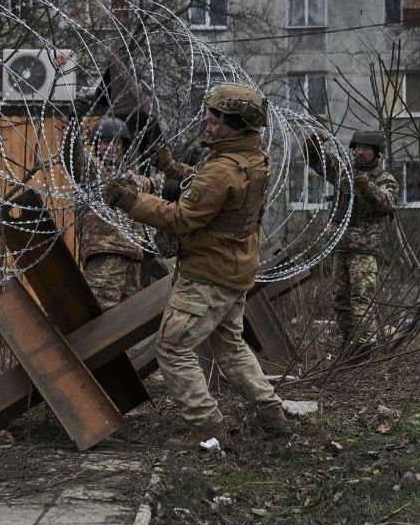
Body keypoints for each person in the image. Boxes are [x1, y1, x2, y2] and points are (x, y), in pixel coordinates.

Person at [103, 83, 290, 450]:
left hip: (207, 275)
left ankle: (207, 427)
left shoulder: (221, 171)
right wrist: (172, 167)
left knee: (172, 347)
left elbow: (181, 217)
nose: (208, 124)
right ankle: (273, 414)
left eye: (216, 120)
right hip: (234, 271)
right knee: (231, 347)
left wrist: (131, 201)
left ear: (237, 125)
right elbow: (209, 189)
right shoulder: (252, 159)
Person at [305, 129, 398, 357]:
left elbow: (388, 203)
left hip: (364, 250)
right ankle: (350, 344)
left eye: (366, 149)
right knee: (341, 301)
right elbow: (319, 162)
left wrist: (368, 188)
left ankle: (365, 348)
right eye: (357, 148)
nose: (360, 152)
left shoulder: (384, 178)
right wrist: (311, 144)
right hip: (341, 247)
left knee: (361, 299)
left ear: (376, 153)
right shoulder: (345, 172)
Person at [79, 116, 168, 310]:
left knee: (127, 321)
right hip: (106, 255)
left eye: (116, 142)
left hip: (132, 258)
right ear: (96, 145)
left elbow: (157, 184)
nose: (111, 147)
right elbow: (77, 158)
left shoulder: (131, 179)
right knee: (103, 315)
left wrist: (178, 169)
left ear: (123, 147)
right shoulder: (93, 172)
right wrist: (74, 126)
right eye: (105, 142)